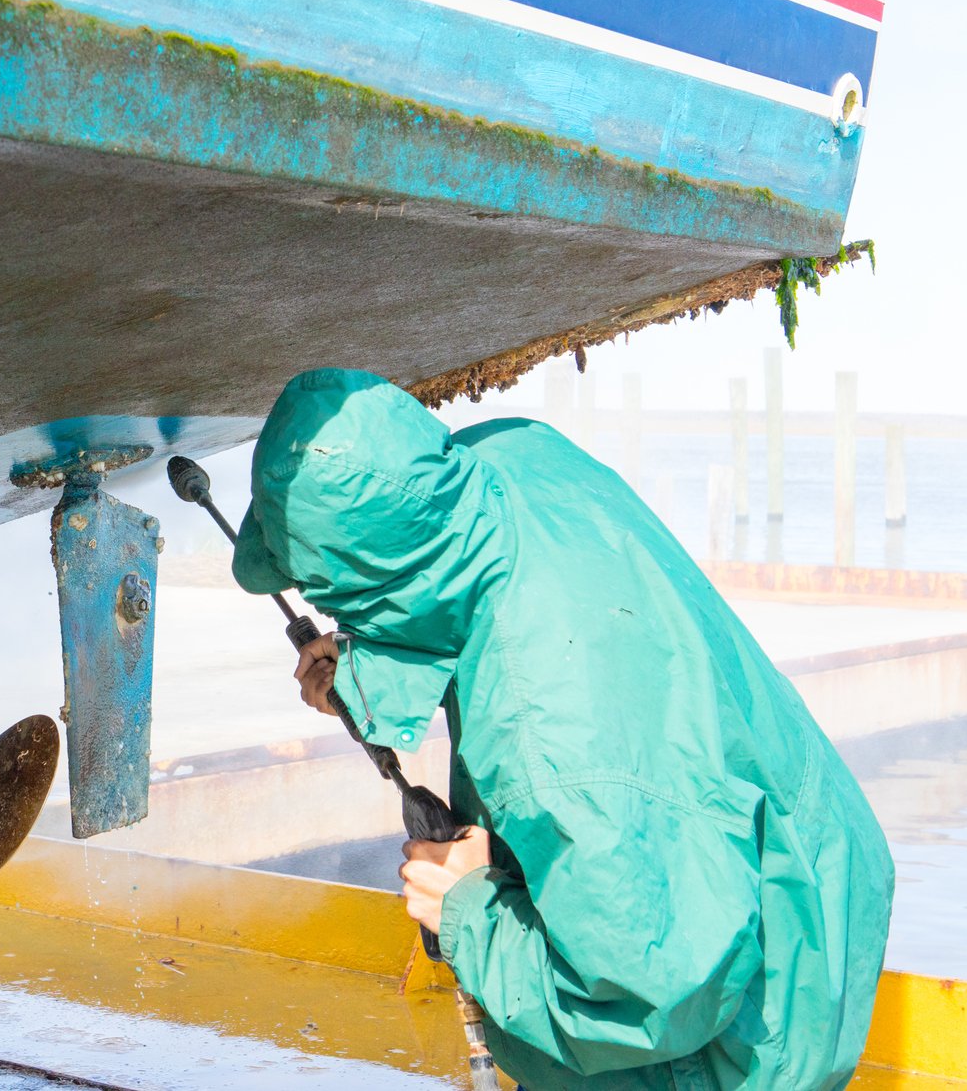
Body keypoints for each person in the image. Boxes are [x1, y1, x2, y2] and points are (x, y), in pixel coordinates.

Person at [231, 368, 894, 1090]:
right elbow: (468, 595)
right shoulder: (513, 460)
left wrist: (467, 913)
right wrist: (365, 671)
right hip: (798, 890)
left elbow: (656, 1000)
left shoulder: (554, 752)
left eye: (333, 594)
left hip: (725, 1051)